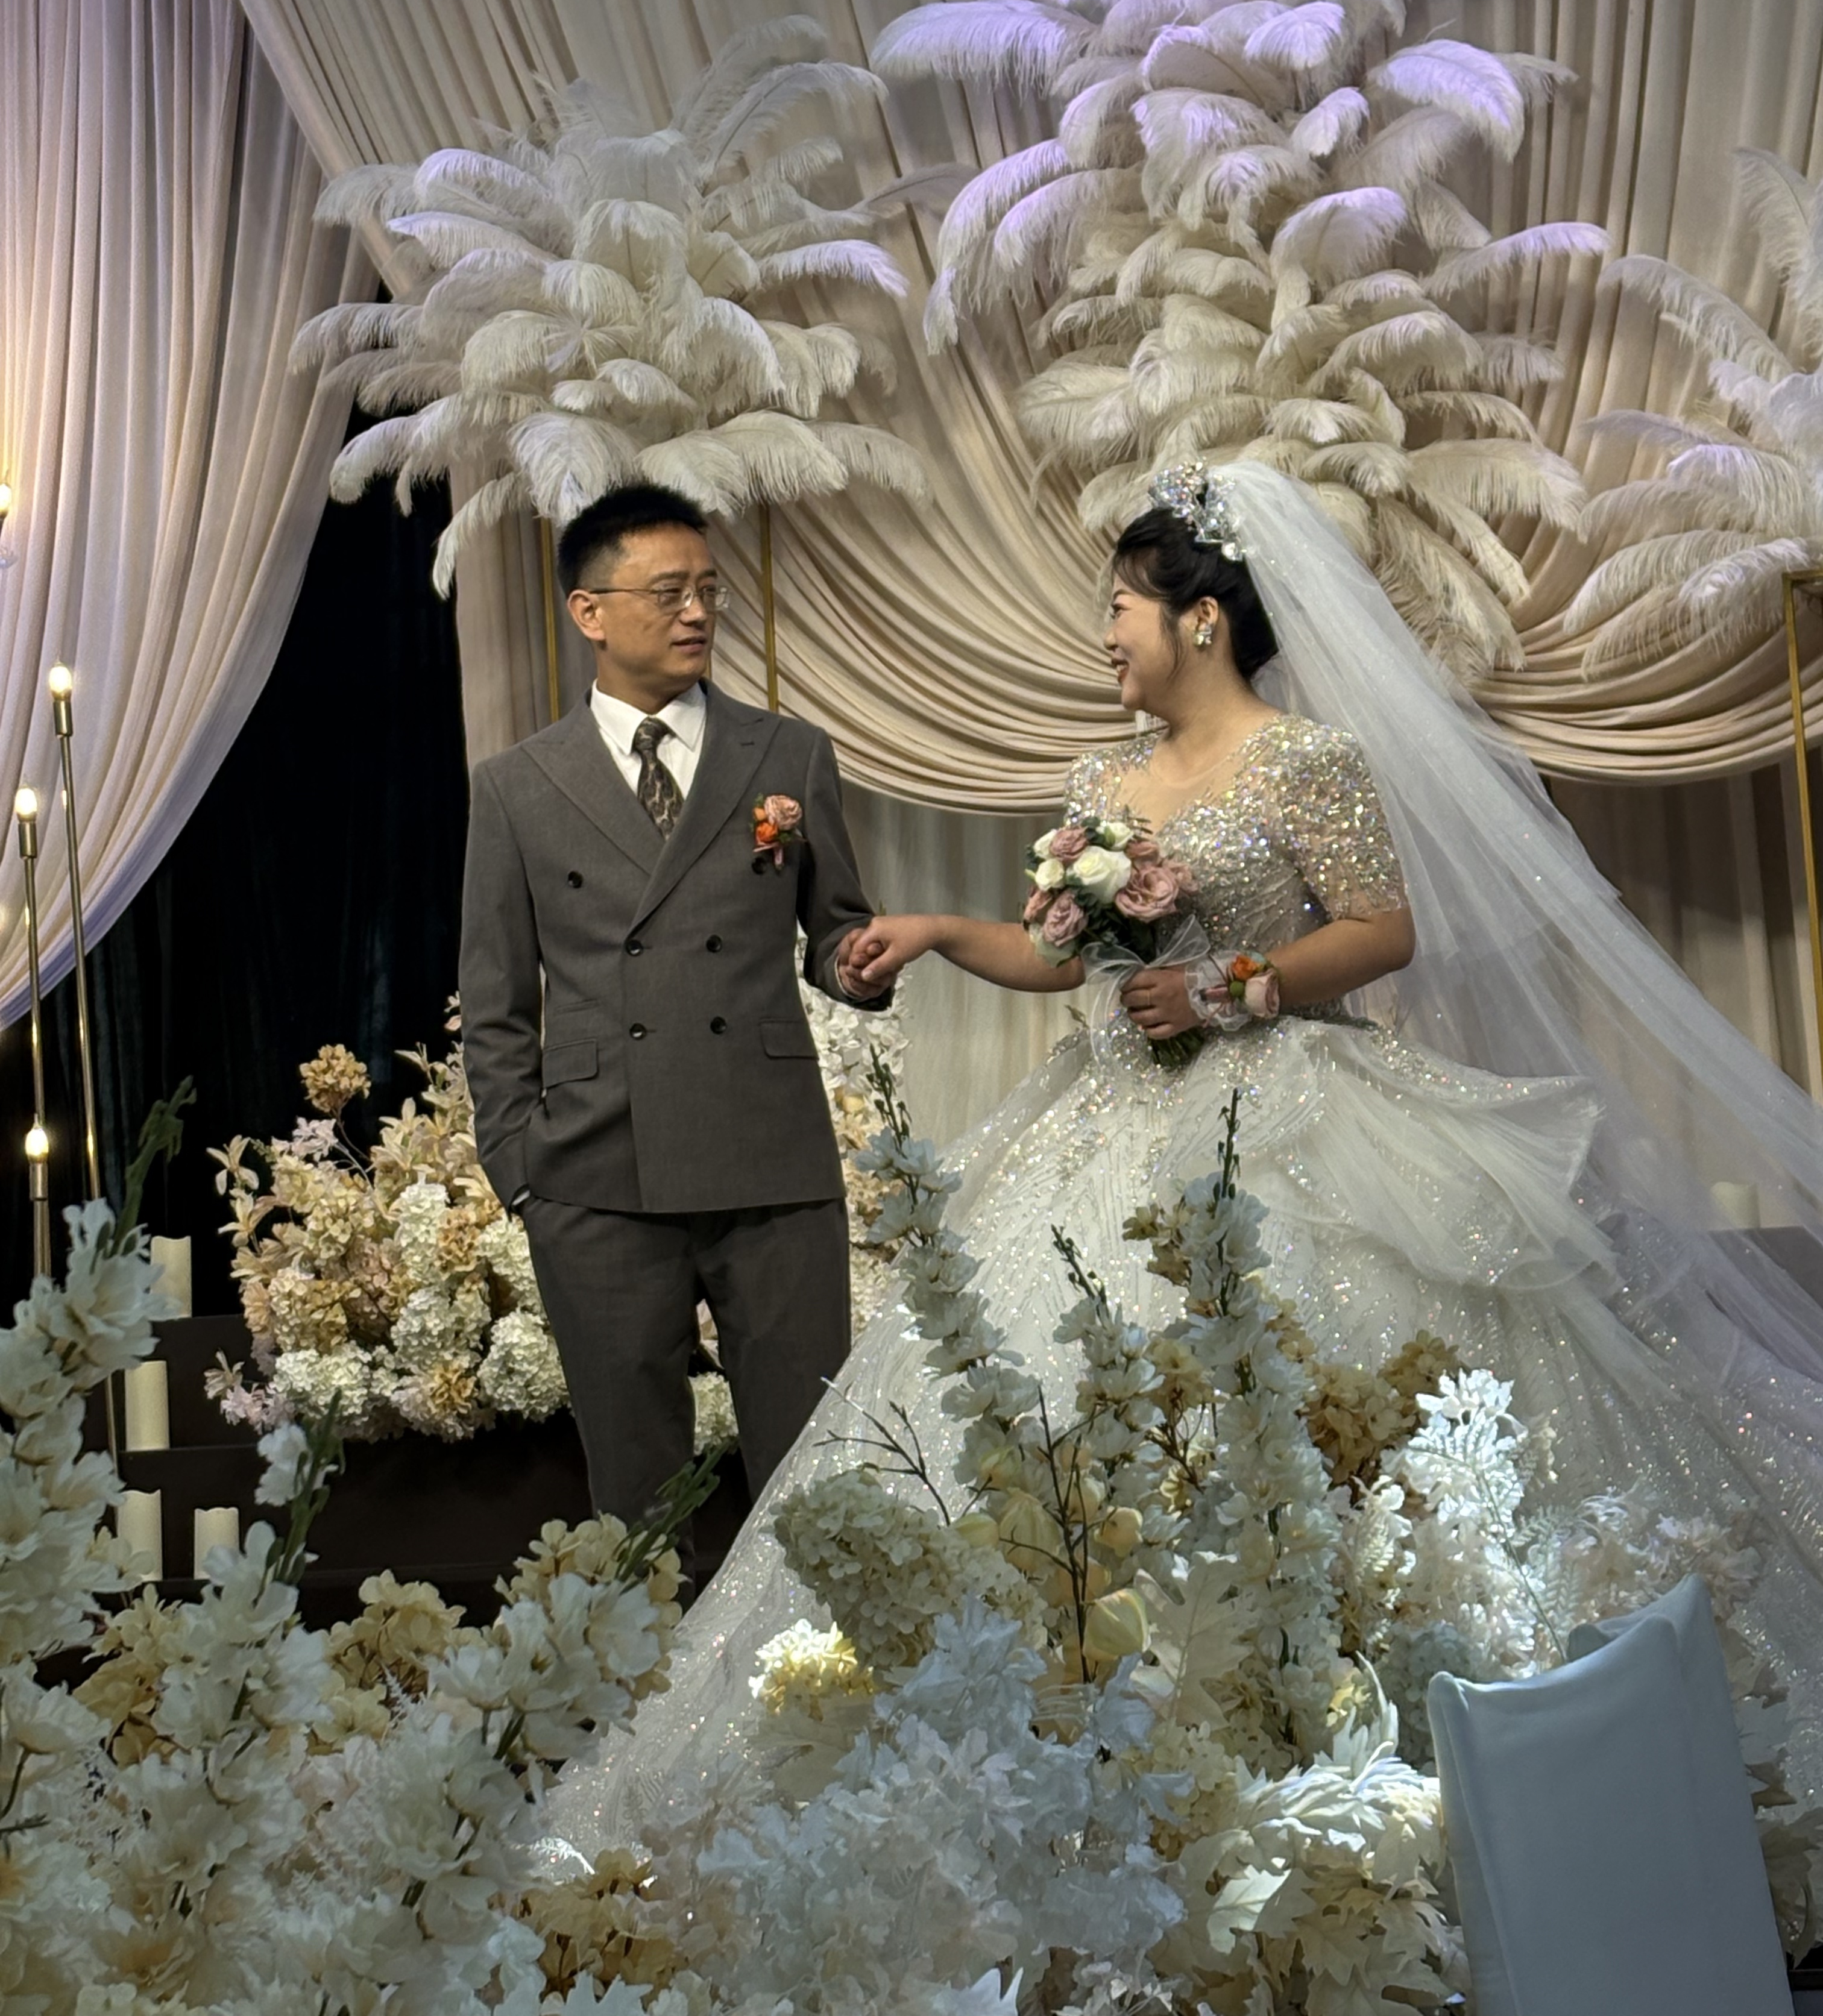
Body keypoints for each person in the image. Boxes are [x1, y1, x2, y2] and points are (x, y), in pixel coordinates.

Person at [539, 459, 1823, 1852]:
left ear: (1200, 620)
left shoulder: (1305, 761)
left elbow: (1382, 928)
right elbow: (1059, 956)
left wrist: (1232, 985)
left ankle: (1378, 1737)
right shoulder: (1105, 779)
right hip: (1110, 1116)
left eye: (1120, 608)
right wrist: (938, 934)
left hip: (1294, 1110)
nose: (1106, 635)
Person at [459, 483, 887, 1557]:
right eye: (668, 592)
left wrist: (859, 962)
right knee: (638, 1502)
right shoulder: (516, 786)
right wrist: (521, 1166)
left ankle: (815, 1664)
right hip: (595, 1171)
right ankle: (654, 1670)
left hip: (770, 1156)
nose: (697, 612)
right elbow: (497, 1001)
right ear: (590, 612)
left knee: (812, 1482)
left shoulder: (788, 755)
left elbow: (836, 929)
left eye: (709, 590)